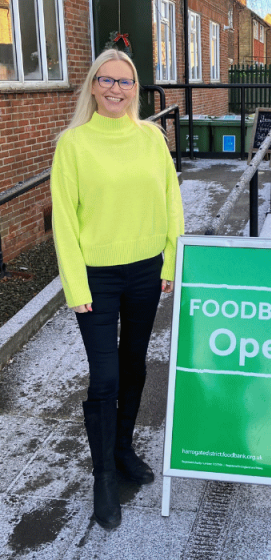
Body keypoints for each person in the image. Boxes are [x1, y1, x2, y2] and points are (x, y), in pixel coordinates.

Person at [51, 49, 184, 530]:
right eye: (106, 80)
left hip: (147, 270)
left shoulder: (151, 138)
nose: (115, 88)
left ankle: (124, 448)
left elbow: (171, 199)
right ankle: (103, 476)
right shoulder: (74, 144)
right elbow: (64, 220)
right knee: (104, 376)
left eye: (125, 81)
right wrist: (75, 283)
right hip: (98, 278)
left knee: (133, 367)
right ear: (92, 86)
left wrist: (172, 258)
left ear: (136, 90)